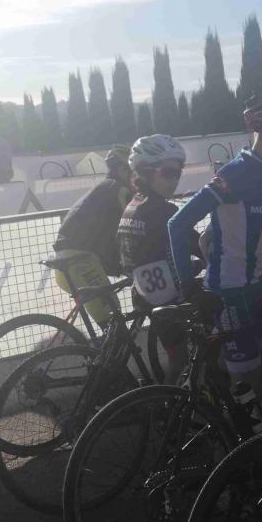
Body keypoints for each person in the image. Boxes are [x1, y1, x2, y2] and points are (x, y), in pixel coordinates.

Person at [168, 94, 262, 398]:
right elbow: (177, 224)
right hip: (229, 293)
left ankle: (236, 420)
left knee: (261, 371)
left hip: (255, 288)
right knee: (243, 382)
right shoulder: (236, 172)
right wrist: (189, 286)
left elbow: (251, 240)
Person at [117, 136, 192, 380]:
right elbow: (198, 245)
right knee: (183, 361)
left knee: (178, 356)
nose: (174, 180)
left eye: (178, 173)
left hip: (144, 294)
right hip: (167, 298)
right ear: (146, 173)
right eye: (168, 173)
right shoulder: (164, 210)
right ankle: (175, 400)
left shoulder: (133, 205)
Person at [51, 146, 132, 328]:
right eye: (134, 171)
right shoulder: (119, 189)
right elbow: (128, 229)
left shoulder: (106, 186)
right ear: (122, 170)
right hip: (80, 263)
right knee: (112, 318)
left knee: (111, 318)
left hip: (69, 261)